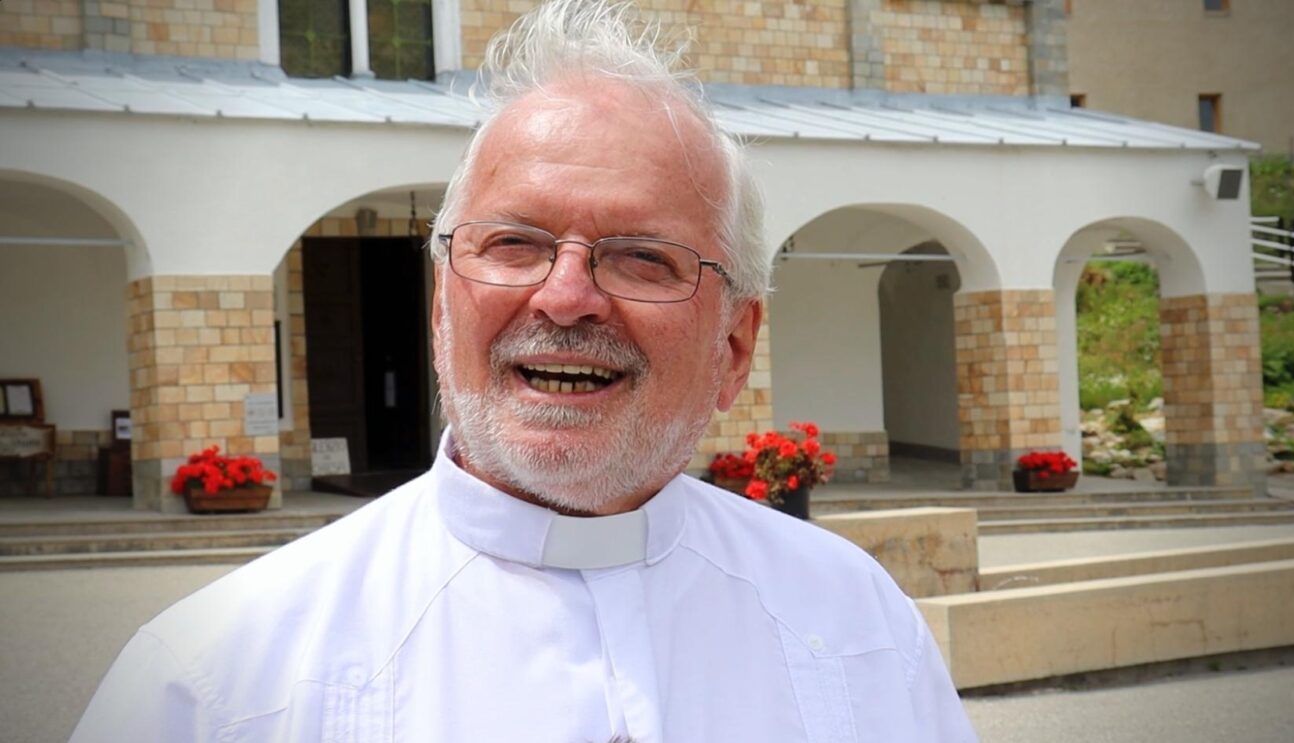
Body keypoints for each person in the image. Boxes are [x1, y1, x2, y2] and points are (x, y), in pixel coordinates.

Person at [71, 1, 977, 740]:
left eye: (640, 257)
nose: (567, 295)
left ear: (733, 346)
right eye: (514, 243)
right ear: (440, 306)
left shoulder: (856, 623)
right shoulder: (214, 678)